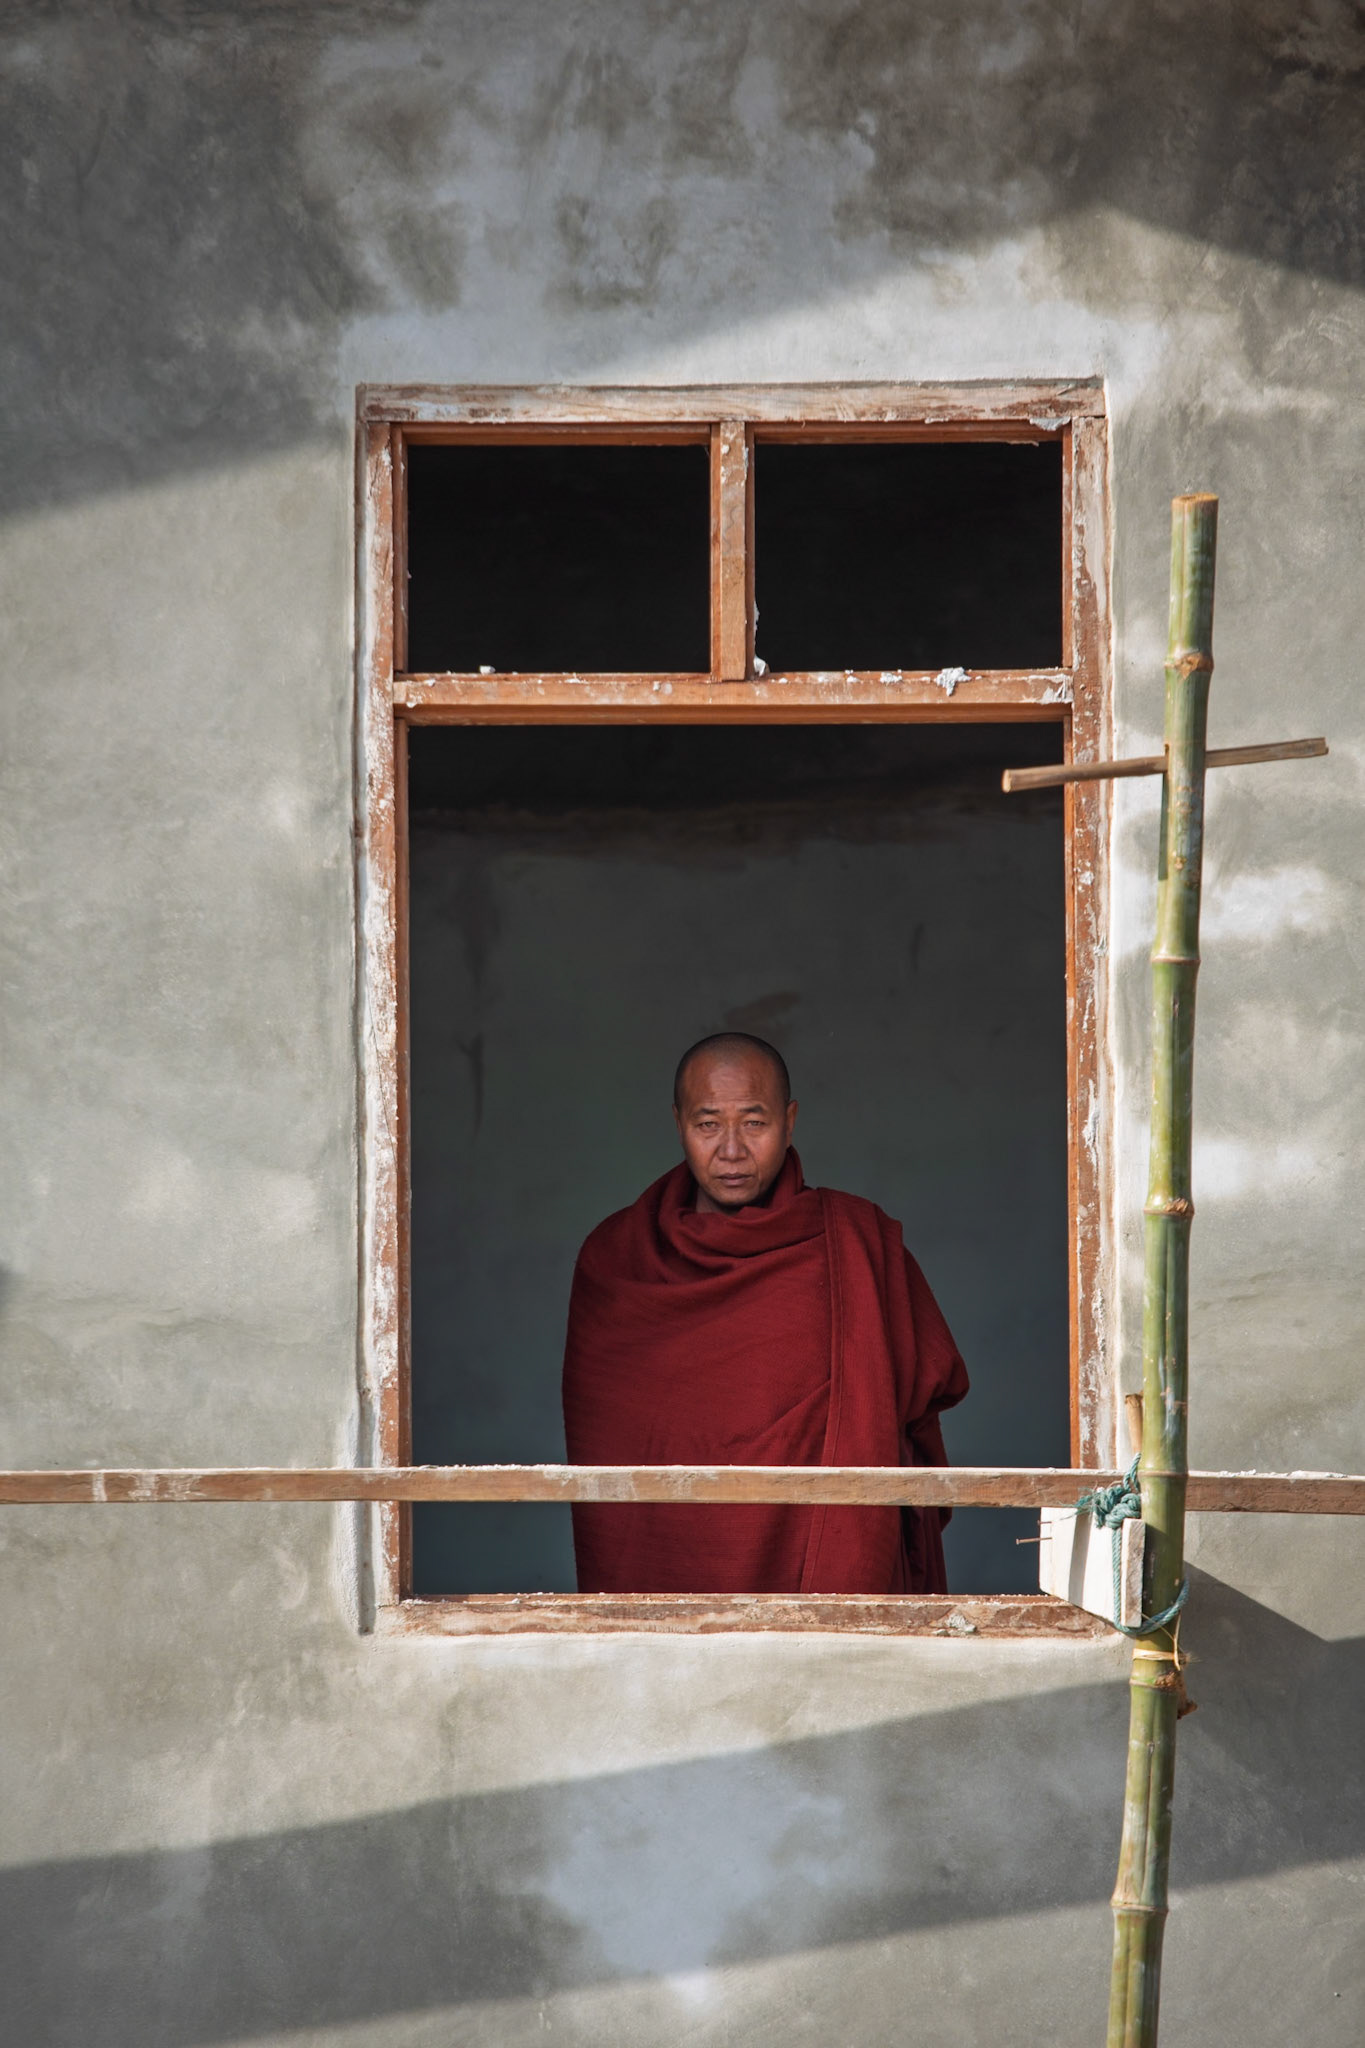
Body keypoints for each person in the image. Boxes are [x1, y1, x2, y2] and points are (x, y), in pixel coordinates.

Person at [561, 1033, 968, 1595]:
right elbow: (608, 1449)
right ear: (678, 1122)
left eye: (754, 1123)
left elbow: (926, 1400)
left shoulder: (856, 1245)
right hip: (667, 1572)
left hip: (821, 1578)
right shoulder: (619, 1261)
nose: (731, 1150)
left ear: (790, 1121)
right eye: (708, 1125)